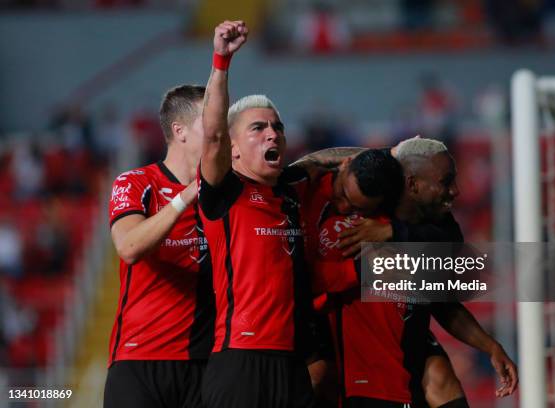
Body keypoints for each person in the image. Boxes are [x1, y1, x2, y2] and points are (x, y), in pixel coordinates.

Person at [303, 138, 517, 407]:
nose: (456, 191)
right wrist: (364, 269)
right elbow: (314, 280)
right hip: (368, 374)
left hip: (407, 354)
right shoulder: (353, 230)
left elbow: (442, 297)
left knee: (441, 378)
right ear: (413, 185)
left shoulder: (427, 229)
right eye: (445, 181)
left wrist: (491, 346)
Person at [197, 20, 320, 408]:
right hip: (239, 360)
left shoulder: (292, 194)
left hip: (292, 362)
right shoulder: (225, 191)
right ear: (232, 149)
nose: (273, 134)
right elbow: (213, 134)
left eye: (277, 127)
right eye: (258, 128)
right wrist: (221, 60)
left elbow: (325, 166)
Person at [104, 85, 214, 408]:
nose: (220, 128)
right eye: (210, 120)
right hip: (140, 359)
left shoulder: (226, 196)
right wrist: (188, 194)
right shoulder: (136, 182)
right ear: (179, 131)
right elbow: (128, 246)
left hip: (207, 362)